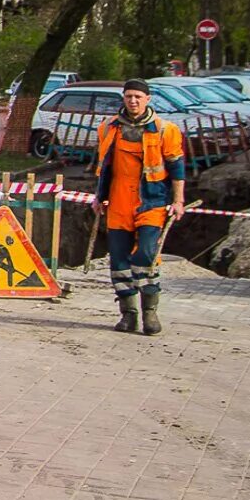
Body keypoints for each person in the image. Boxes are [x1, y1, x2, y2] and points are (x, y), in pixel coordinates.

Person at [94, 80, 186, 335]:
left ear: (148, 99)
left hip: (151, 202)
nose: (132, 101)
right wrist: (98, 197)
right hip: (118, 201)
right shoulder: (108, 128)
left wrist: (178, 201)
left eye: (137, 96)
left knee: (145, 255)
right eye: (128, 96)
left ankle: (150, 313)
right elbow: (104, 166)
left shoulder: (165, 130)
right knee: (119, 261)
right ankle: (129, 315)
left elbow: (177, 168)